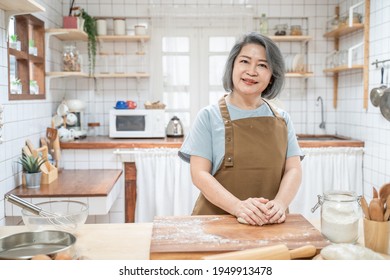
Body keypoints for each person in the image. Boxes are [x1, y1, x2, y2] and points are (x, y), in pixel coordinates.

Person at [178, 32, 303, 226]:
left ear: (271, 76)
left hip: (270, 223)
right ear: (233, 66)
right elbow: (199, 174)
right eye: (245, 61)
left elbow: (293, 170)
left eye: (262, 65)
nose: (252, 71)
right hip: (216, 223)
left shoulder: (282, 119)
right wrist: (238, 207)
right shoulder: (208, 116)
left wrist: (280, 203)